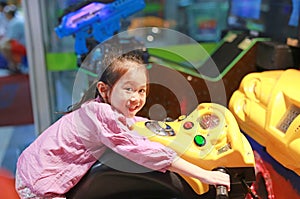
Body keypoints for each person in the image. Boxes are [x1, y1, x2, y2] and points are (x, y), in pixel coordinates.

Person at [15, 51, 230, 198]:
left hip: (32, 165)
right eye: (128, 89)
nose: (136, 97)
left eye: (141, 90)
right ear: (104, 89)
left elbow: (133, 123)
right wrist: (204, 175)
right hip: (38, 182)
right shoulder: (100, 114)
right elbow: (141, 150)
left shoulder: (107, 108)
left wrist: (172, 127)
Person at [0, 4, 26, 73]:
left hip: (25, 46)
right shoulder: (15, 21)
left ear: (9, 15)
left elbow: (9, 39)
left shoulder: (15, 22)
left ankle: (14, 65)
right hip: (23, 44)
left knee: (4, 47)